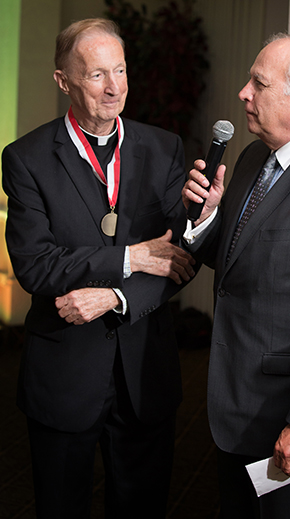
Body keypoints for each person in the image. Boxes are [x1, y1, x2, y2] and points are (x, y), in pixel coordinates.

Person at [2, 18, 196, 519]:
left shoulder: (164, 148)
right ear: (63, 80)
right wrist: (130, 257)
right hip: (63, 380)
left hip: (145, 379)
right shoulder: (25, 159)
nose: (114, 88)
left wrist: (116, 295)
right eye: (95, 76)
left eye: (121, 70)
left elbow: (179, 259)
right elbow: (36, 267)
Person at [182, 33, 290, 519]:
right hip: (232, 405)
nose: (242, 93)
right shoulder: (255, 156)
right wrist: (210, 217)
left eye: (258, 83)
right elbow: (239, 265)